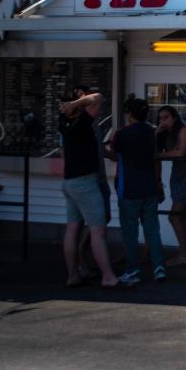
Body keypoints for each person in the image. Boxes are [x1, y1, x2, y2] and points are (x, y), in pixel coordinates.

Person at [58, 90, 120, 288]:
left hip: (69, 182)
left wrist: (71, 105)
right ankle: (108, 276)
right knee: (98, 231)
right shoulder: (81, 122)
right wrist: (76, 103)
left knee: (72, 230)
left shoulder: (63, 122)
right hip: (85, 182)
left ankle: (72, 275)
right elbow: (99, 97)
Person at [106, 97, 166, 285]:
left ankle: (133, 270)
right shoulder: (151, 132)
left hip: (129, 188)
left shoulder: (122, 133)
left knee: (130, 232)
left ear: (130, 114)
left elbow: (114, 153)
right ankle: (159, 268)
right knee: (152, 231)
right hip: (149, 188)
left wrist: (100, 149)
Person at [157, 106, 186, 267]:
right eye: (160, 118)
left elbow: (181, 152)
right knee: (184, 215)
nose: (163, 121)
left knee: (174, 216)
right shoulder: (167, 134)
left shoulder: (184, 131)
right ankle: (185, 252)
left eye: (166, 117)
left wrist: (157, 155)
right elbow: (160, 148)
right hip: (177, 175)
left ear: (174, 117)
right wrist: (157, 133)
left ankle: (183, 254)